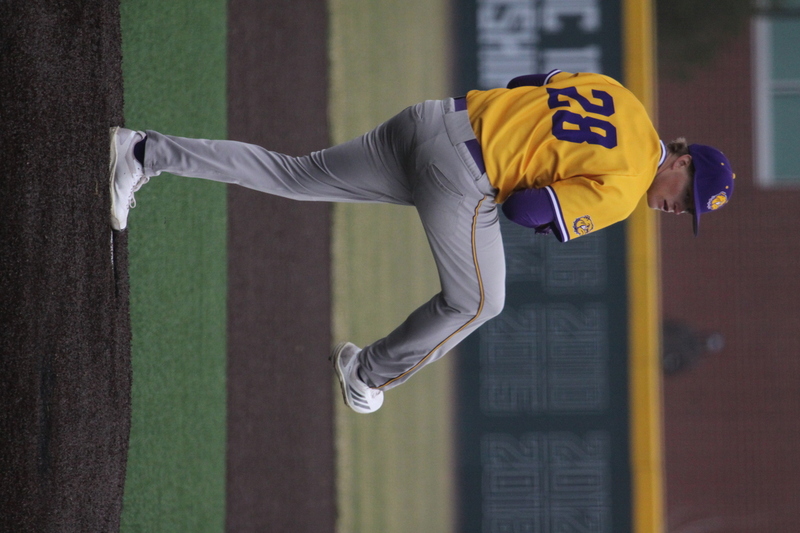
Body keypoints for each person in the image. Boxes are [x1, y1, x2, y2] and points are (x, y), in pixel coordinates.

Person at [108, 69, 735, 414]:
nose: (677, 207)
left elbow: (527, 78)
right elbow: (525, 208)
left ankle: (140, 151)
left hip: (434, 120)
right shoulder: (626, 189)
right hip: (464, 174)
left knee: (295, 175)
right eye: (687, 195)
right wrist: (543, 208)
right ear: (680, 160)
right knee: (480, 304)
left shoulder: (623, 99)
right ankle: (367, 373)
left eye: (688, 211)